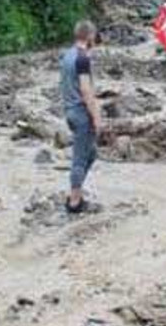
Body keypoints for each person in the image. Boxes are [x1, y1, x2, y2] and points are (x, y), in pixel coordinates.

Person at [59, 20, 102, 213]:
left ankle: (75, 191)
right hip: (81, 112)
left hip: (70, 110)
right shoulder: (82, 59)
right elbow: (86, 90)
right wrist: (96, 117)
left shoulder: (67, 55)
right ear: (90, 35)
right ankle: (74, 200)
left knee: (90, 153)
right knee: (80, 157)